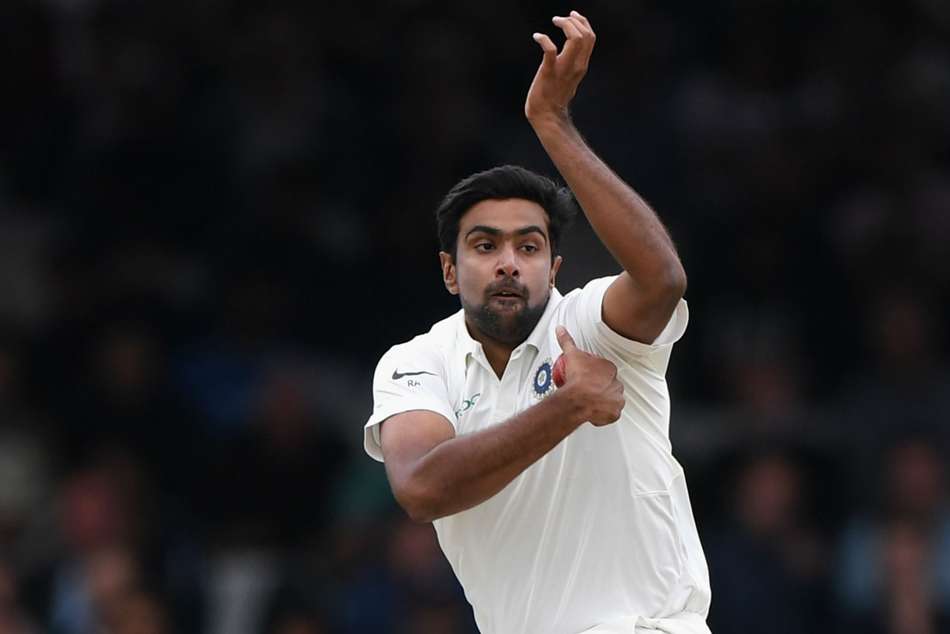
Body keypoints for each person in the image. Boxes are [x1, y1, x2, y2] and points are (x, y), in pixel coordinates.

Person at [364, 10, 710, 634]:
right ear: (449, 271)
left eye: (527, 247)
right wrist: (568, 406)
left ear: (553, 269)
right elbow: (420, 488)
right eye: (485, 246)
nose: (507, 263)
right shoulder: (417, 362)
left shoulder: (592, 328)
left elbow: (662, 280)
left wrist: (553, 123)